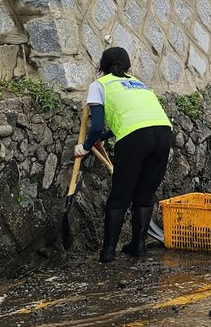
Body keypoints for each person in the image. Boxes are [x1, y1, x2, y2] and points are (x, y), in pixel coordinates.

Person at [74, 47, 173, 263]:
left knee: (120, 196)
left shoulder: (99, 85)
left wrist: (85, 146)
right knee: (145, 195)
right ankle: (138, 247)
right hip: (163, 133)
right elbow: (136, 118)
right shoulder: (139, 83)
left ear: (103, 65)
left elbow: (97, 124)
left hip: (136, 138)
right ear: (128, 65)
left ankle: (108, 252)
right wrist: (106, 137)